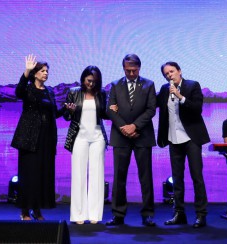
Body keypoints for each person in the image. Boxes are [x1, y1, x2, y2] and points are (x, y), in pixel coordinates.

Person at [10, 54, 65, 221]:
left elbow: (53, 113)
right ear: (35, 74)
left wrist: (67, 110)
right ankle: (25, 210)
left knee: (42, 175)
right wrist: (25, 71)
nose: (45, 73)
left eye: (47, 71)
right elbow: (18, 92)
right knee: (28, 175)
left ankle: (37, 209)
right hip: (29, 138)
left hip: (46, 138)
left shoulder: (49, 91)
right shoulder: (27, 88)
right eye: (42, 71)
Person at [156, 61, 210, 228]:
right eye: (166, 74)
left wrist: (180, 97)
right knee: (177, 179)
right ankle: (179, 213)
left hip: (191, 137)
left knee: (196, 177)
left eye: (171, 71)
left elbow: (197, 108)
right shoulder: (165, 90)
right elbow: (154, 104)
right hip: (173, 138)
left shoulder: (192, 85)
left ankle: (201, 215)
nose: (169, 75)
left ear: (179, 71)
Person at [105, 53, 157, 227]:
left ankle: (148, 214)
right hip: (120, 137)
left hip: (143, 136)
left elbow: (151, 110)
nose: (131, 74)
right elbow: (110, 110)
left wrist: (135, 126)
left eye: (134, 70)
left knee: (145, 177)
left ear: (139, 68)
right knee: (119, 177)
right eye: (128, 71)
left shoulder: (149, 84)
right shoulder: (114, 85)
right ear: (123, 68)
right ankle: (118, 214)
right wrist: (124, 128)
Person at [62, 65, 109, 225]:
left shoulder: (101, 93)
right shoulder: (74, 92)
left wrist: (112, 110)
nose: (91, 84)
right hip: (79, 136)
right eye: (89, 81)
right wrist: (69, 110)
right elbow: (66, 117)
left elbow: (104, 114)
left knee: (97, 175)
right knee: (78, 175)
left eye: (95, 82)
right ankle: (78, 214)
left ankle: (95, 214)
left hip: (97, 137)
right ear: (83, 79)